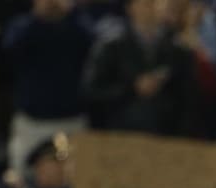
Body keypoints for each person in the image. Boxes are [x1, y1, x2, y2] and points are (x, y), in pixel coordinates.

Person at [81, 0, 199, 137]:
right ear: (131, 8)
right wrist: (133, 88)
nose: (153, 7)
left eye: (157, 2)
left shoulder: (178, 49)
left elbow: (189, 100)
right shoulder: (111, 46)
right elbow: (92, 91)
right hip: (120, 136)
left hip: (165, 136)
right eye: (147, 3)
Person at [1, 0, 93, 173]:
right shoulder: (22, 26)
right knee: (22, 178)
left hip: (72, 120)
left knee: (76, 184)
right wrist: (38, 17)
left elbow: (92, 45)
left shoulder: (78, 26)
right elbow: (10, 51)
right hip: (32, 122)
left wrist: (69, 13)